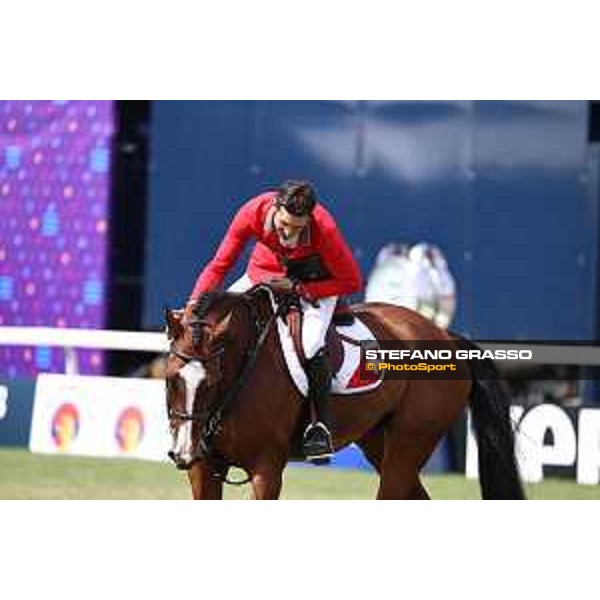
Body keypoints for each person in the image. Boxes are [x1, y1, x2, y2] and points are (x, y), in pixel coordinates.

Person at [186, 180, 363, 461]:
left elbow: (352, 280)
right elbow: (219, 265)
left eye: (297, 227)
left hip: (315, 283)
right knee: (217, 326)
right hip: (263, 274)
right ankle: (205, 420)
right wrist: (195, 305)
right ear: (275, 207)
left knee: (310, 344)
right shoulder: (252, 212)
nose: (288, 233)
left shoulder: (324, 228)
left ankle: (319, 427)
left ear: (309, 219)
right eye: (283, 224)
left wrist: (303, 290)